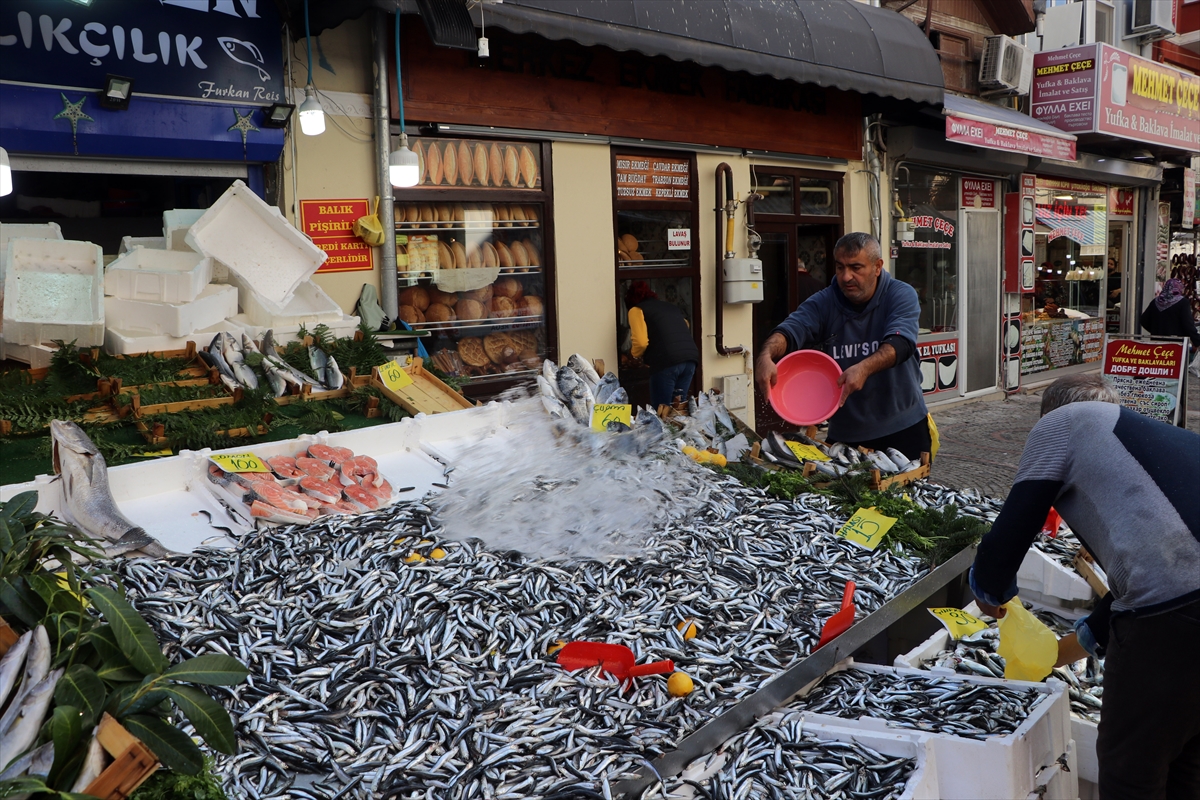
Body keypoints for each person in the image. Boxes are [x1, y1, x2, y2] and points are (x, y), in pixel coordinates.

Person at [969, 373, 1200, 800]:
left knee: (1133, 769)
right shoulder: (1149, 442)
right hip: (1181, 602)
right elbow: (1150, 575)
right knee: (1187, 753)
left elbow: (1011, 531)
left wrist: (989, 593)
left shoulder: (1061, 424)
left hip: (1177, 612)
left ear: (1044, 415)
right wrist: (1070, 647)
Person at [755, 232, 931, 457]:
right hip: (846, 434)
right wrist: (766, 355)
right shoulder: (825, 301)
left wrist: (864, 368)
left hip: (903, 427)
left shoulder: (899, 294)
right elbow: (790, 329)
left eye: (856, 268)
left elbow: (901, 343)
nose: (846, 276)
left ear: (877, 267)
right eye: (840, 267)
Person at [625, 281, 700, 408]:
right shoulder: (670, 307)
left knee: (662, 410)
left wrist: (634, 355)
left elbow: (641, 342)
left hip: (667, 362)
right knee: (678, 408)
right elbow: (685, 324)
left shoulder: (636, 310)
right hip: (690, 359)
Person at [1140, 278, 1200, 349]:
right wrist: (1197, 341)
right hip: (1176, 345)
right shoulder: (1183, 303)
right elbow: (1188, 325)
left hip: (1156, 344)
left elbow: (1143, 320)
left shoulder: (1155, 302)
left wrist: (1156, 330)